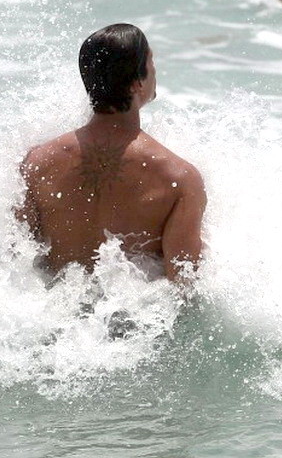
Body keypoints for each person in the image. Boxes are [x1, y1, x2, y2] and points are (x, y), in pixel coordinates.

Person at [17, 24, 205, 285]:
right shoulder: (178, 178)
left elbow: (15, 265)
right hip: (134, 319)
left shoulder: (37, 162)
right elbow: (185, 287)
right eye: (151, 63)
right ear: (138, 82)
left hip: (54, 313)